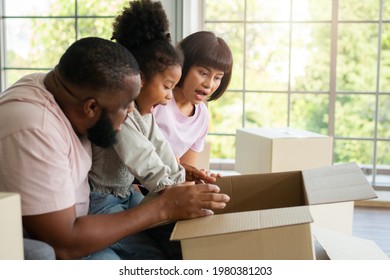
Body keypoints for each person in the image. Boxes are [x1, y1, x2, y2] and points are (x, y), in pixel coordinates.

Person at [0, 36, 230, 260]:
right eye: (125, 106)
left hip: (93, 215)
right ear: (91, 107)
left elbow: (153, 146)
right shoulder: (35, 129)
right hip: (71, 237)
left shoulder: (64, 88)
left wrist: (178, 177)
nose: (131, 112)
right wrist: (165, 206)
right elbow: (64, 244)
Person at [153, 31, 233, 167]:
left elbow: (185, 172)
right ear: (183, 65)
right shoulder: (157, 99)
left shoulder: (202, 117)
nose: (209, 84)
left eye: (217, 78)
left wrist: (201, 178)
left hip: (165, 184)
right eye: (203, 73)